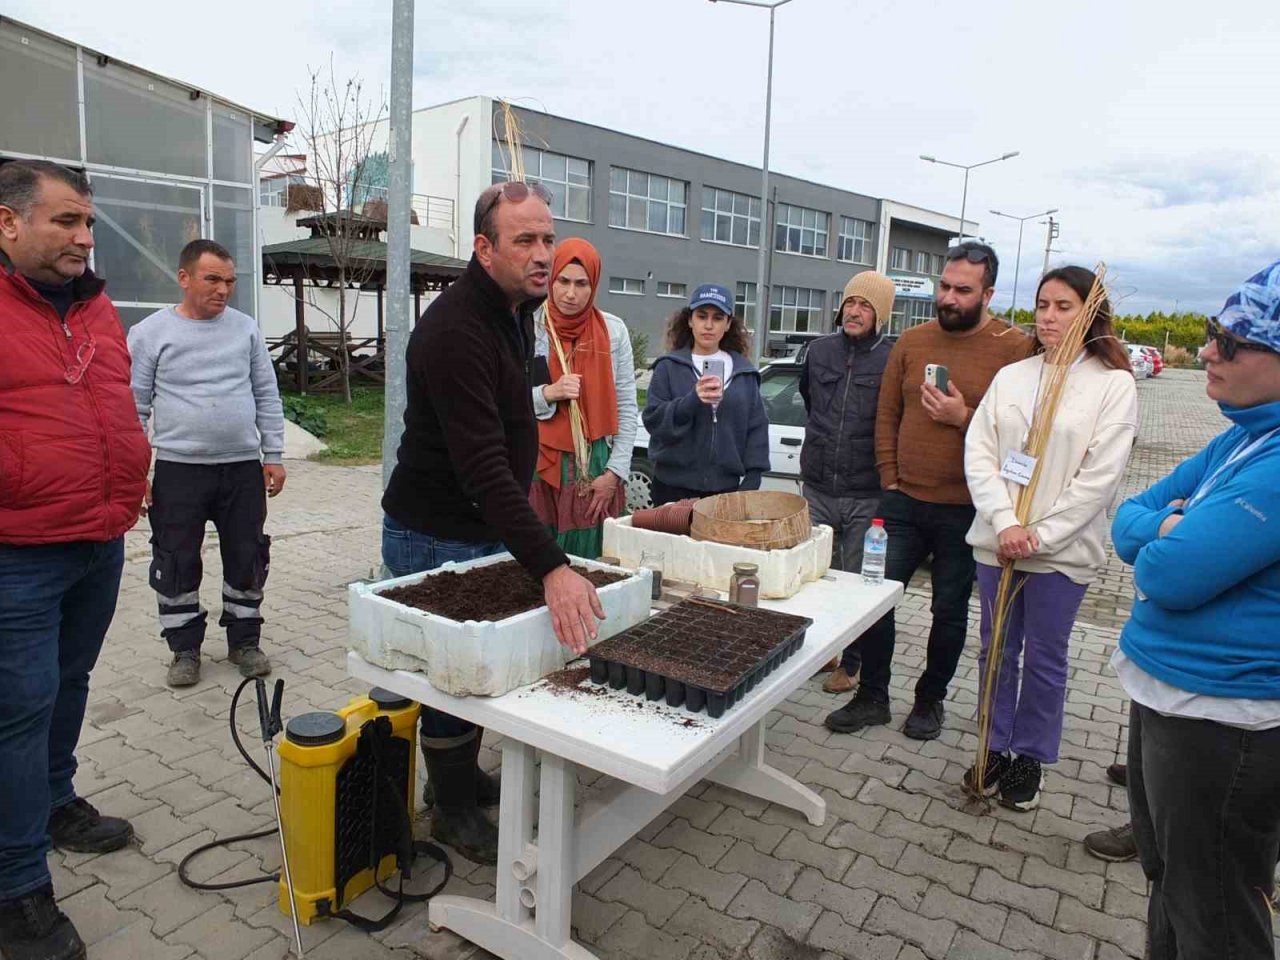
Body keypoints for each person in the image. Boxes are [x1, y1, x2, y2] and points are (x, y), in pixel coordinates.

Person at [381, 181, 604, 865]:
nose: (543, 255)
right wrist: (553, 567)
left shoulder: (515, 309)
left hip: (478, 524)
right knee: (451, 674)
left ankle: (457, 777)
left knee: (472, 665)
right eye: (525, 242)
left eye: (547, 237)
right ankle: (448, 808)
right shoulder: (455, 333)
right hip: (436, 530)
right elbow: (481, 471)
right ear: (483, 248)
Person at [0, 160, 152, 960]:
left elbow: (111, 401)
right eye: (65, 221)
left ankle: (55, 804)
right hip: (17, 551)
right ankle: (16, 887)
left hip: (100, 537)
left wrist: (131, 471)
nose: (84, 239)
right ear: (7, 222)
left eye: (88, 223)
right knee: (16, 712)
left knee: (68, 685)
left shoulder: (95, 309)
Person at [1108, 260, 1280, 960]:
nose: (1207, 350)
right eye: (1213, 332)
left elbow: (1171, 576)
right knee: (1171, 883)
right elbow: (1129, 517)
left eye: (1232, 341)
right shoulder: (1240, 439)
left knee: (1214, 907)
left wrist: (1163, 536)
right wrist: (1164, 528)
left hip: (1223, 722)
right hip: (1169, 697)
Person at [825, 241, 1031, 741]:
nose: (949, 297)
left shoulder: (1016, 349)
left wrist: (965, 418)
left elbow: (1026, 433)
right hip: (901, 501)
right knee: (874, 597)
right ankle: (872, 694)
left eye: (963, 290)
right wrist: (889, 476)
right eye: (945, 286)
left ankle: (929, 701)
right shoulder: (912, 342)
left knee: (949, 610)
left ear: (988, 293)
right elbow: (887, 414)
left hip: (969, 509)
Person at [962, 266, 1137, 810]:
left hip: (1059, 553)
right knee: (995, 650)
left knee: (1043, 656)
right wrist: (1005, 523)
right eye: (1042, 305)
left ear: (1091, 312)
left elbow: (1099, 479)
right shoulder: (1014, 377)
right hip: (998, 540)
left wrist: (1038, 534)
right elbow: (981, 452)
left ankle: (1030, 755)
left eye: (1063, 306)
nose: (1049, 316)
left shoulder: (1113, 385)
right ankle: (992, 742)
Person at [128, 239, 286, 688]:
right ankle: (184, 649)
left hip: (242, 469)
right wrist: (137, 470)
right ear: (184, 278)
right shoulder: (149, 334)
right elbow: (134, 407)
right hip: (179, 471)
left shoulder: (245, 330)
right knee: (175, 561)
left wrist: (272, 454)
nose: (224, 290)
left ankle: (244, 641)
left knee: (248, 555)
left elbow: (266, 394)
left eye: (230, 281)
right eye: (213, 279)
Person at [799, 271, 897, 695]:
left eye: (866, 306)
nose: (855, 312)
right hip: (818, 485)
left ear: (882, 315)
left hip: (865, 491)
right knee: (817, 574)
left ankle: (853, 663)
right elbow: (809, 400)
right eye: (851, 303)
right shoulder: (818, 351)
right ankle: (826, 649)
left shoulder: (893, 358)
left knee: (857, 581)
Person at [530, 238, 637, 557]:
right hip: (539, 466)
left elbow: (627, 408)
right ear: (551, 279)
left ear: (594, 285)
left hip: (594, 468)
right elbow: (506, 402)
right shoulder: (530, 325)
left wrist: (614, 474)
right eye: (563, 281)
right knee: (537, 564)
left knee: (592, 564)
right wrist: (549, 393)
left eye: (581, 284)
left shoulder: (613, 331)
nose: (570, 293)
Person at [642, 284, 769, 505]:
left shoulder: (744, 372)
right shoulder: (669, 367)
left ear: (728, 323)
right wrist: (692, 400)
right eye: (702, 316)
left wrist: (753, 475)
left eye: (718, 318)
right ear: (690, 320)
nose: (708, 325)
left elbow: (756, 427)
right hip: (672, 487)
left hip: (724, 490)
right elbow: (653, 420)